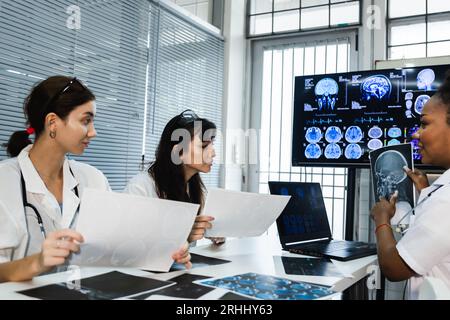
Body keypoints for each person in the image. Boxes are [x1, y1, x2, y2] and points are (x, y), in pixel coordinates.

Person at [0, 76, 190, 283]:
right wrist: (37, 262)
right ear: (52, 122)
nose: (93, 132)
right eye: (85, 120)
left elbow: (118, 246)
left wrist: (165, 252)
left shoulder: (93, 179)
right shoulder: (5, 181)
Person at [371, 73, 450, 299]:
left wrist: (381, 220)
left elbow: (394, 269)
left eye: (424, 123)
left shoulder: (446, 201)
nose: (415, 134)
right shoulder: (442, 195)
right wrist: (426, 191)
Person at [124, 110, 225, 245]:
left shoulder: (195, 189)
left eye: (212, 144)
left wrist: (214, 232)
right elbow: (129, 242)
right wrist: (184, 236)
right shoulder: (141, 187)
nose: (213, 153)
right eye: (204, 146)